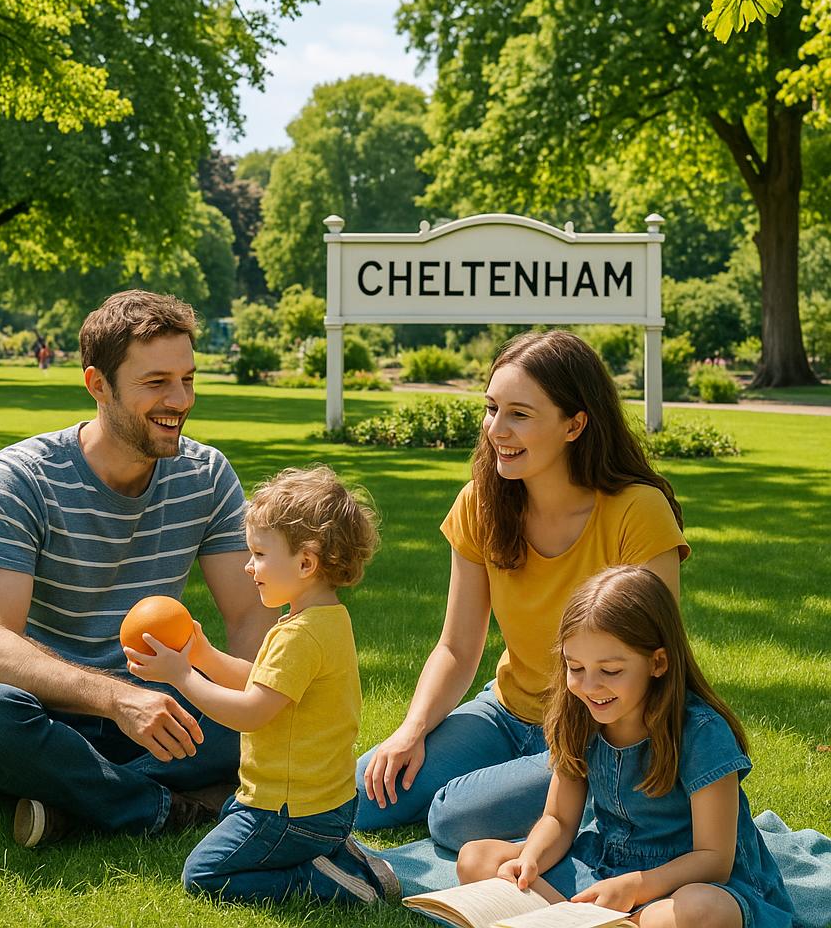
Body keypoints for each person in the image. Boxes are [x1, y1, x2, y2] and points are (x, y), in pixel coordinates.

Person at [0, 290, 277, 847]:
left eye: (188, 379)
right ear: (98, 384)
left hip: (163, 707)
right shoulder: (21, 478)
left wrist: (251, 710)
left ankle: (80, 804)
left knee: (279, 711)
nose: (180, 400)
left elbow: (249, 620)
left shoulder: (207, 475)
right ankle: (172, 806)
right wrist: (118, 699)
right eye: (156, 383)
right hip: (45, 712)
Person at [358, 329, 689, 850]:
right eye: (491, 409)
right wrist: (411, 730)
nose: (497, 430)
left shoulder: (636, 512)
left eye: (520, 414)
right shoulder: (480, 504)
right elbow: (456, 647)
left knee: (451, 817)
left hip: (600, 730)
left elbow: (654, 665)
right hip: (507, 713)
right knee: (361, 795)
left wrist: (590, 746)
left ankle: (602, 800)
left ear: (574, 424)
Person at [456, 566, 795, 928]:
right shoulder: (579, 718)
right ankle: (591, 920)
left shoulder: (701, 732)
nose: (590, 686)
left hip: (690, 882)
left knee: (698, 911)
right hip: (608, 868)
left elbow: (714, 858)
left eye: (611, 671)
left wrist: (637, 886)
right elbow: (559, 819)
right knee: (475, 859)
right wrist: (532, 858)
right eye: (576, 668)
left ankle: (584, 918)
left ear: (658, 662)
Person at [125, 465, 400, 905]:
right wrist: (204, 655)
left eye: (259, 554)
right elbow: (264, 682)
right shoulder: (323, 619)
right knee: (234, 820)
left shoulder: (299, 635)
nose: (248, 566)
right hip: (321, 802)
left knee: (203, 874)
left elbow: (250, 711)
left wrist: (182, 676)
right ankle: (333, 849)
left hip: (290, 812)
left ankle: (329, 882)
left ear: (306, 562)